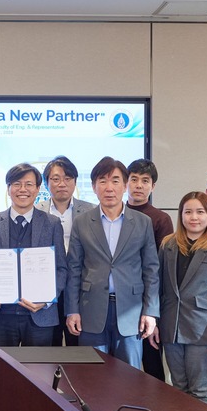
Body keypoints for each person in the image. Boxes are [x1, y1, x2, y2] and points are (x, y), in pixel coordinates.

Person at [65, 157, 159, 369]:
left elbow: (151, 270)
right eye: (103, 181)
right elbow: (74, 269)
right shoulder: (82, 222)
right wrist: (72, 310)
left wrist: (151, 312)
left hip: (131, 311)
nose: (109, 188)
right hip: (91, 310)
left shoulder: (143, 222)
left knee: (129, 376)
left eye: (115, 181)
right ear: (93, 187)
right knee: (92, 376)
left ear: (125, 186)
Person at [0, 163, 67, 346]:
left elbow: (61, 268)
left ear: (38, 189)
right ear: (8, 189)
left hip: (40, 315)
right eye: (16, 184)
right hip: (0, 315)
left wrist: (47, 300)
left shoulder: (52, 223)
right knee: (1, 364)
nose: (23, 189)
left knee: (37, 365)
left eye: (29, 184)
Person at [154, 191, 207, 405]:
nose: (194, 217)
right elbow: (157, 286)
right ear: (181, 215)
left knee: (200, 389)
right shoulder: (168, 244)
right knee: (178, 387)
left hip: (203, 330)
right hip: (171, 327)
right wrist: (155, 322)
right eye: (188, 212)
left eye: (200, 212)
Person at [37, 155, 95, 346]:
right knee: (49, 346)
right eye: (55, 179)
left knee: (77, 347)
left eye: (67, 178)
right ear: (46, 183)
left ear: (75, 182)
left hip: (80, 289)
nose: (62, 184)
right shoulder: (36, 212)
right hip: (48, 289)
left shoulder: (92, 212)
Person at [126, 158, 175, 380]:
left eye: (145, 181)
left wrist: (154, 311)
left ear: (153, 186)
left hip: (149, 301)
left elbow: (161, 268)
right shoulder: (115, 214)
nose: (139, 185)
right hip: (122, 302)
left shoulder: (161, 219)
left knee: (152, 365)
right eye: (134, 179)